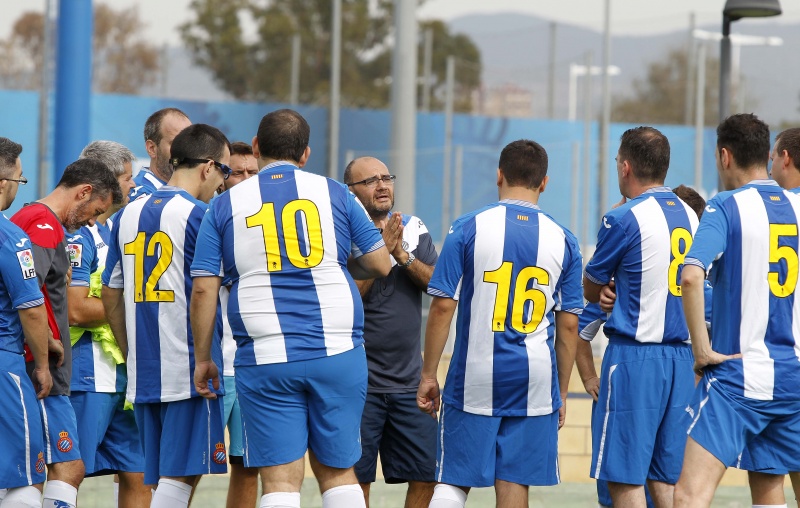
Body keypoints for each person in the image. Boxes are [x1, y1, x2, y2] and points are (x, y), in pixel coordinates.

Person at [190, 108, 391, 508]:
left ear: (258, 146)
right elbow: (381, 262)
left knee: (280, 479)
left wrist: (202, 358)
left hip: (265, 354)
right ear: (305, 154)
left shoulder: (225, 204)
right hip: (337, 349)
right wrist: (334, 261)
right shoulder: (335, 191)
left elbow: (203, 289)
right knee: (338, 472)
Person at [417, 139, 583, 508]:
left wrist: (429, 374)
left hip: (476, 374)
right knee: (513, 482)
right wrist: (560, 390)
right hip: (535, 378)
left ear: (499, 176)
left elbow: (443, 307)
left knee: (454, 479)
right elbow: (569, 326)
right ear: (544, 183)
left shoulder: (467, 227)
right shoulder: (565, 240)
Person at [672, 114, 800, 508]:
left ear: (725, 156)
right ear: (767, 154)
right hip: (794, 379)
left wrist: (701, 351)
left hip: (739, 381)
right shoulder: (797, 205)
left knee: (689, 495)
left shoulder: (725, 206)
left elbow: (691, 277)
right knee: (767, 487)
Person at [102, 124, 231, 508]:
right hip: (190, 366)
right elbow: (212, 287)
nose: (223, 183)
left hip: (145, 370)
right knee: (182, 478)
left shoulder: (128, 213)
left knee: (164, 479)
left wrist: (129, 350)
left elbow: (112, 291)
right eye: (224, 172)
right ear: (208, 167)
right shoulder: (200, 215)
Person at [584, 127, 698, 508]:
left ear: (626, 166)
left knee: (623, 476)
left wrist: (601, 291)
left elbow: (591, 285)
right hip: (681, 360)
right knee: (664, 478)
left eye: (618, 161)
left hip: (636, 357)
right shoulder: (691, 214)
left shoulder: (623, 217)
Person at [11, 157, 122, 508]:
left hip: (29, 361)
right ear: (83, 192)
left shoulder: (31, 219)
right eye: (95, 210)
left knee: (37, 464)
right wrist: (44, 349)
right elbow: (28, 296)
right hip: (36, 366)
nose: (92, 220)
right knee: (65, 466)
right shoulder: (43, 225)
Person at [344, 156, 438, 508]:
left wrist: (401, 253)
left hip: (409, 383)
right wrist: (380, 251)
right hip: (358, 384)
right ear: (351, 192)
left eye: (386, 177)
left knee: (429, 474)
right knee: (355, 479)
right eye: (370, 181)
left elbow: (437, 285)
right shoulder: (343, 229)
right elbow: (351, 296)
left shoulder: (413, 228)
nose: (382, 185)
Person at [67, 141, 150, 506]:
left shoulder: (110, 231)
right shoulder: (76, 236)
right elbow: (77, 310)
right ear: (105, 182)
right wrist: (133, 302)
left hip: (124, 375)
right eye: (128, 178)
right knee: (68, 470)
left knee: (139, 471)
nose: (134, 186)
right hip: (89, 375)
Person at [731, 126, 800, 508]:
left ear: (785, 157)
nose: (771, 161)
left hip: (767, 368)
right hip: (787, 367)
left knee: (768, 488)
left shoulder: (765, 212)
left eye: (774, 155)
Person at [0, 137, 52, 508]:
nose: (20, 190)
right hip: (5, 369)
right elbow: (31, 308)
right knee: (24, 474)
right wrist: (44, 364)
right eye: (20, 181)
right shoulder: (11, 237)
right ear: (3, 182)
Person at [217, 141, 260, 508]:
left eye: (253, 172)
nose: (245, 179)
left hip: (251, 364)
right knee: (192, 466)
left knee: (248, 466)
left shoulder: (265, 226)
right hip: (212, 366)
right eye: (236, 172)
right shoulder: (209, 219)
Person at [128, 107, 192, 201]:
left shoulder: (194, 194)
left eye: (190, 144)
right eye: (176, 144)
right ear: (152, 149)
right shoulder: (140, 197)